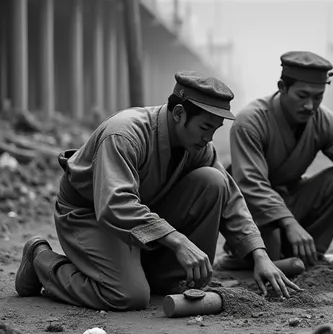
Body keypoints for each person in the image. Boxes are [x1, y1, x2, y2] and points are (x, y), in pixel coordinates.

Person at [15, 72, 300, 311]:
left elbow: (230, 199)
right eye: (204, 127)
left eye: (214, 130)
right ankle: (41, 260)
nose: (209, 138)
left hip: (142, 215)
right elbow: (115, 204)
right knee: (128, 295)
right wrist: (178, 241)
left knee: (214, 181)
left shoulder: (198, 146)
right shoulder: (124, 134)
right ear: (179, 114)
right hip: (89, 214)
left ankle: (162, 277)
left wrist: (259, 255)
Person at [222, 51, 333, 268]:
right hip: (253, 211)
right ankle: (245, 257)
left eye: (318, 97)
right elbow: (251, 184)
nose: (310, 105)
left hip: (290, 200)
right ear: (282, 87)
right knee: (268, 252)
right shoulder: (250, 121)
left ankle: (310, 254)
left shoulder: (324, 120)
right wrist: (289, 223)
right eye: (302, 96)